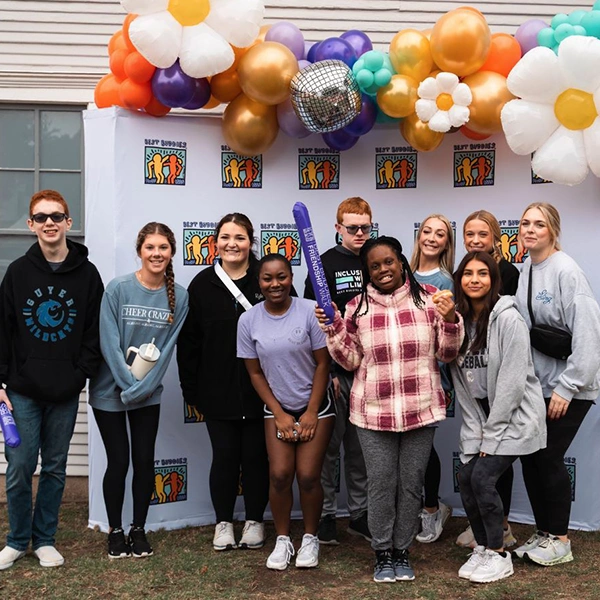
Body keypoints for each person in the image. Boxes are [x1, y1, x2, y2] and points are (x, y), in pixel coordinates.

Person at [317, 236, 463, 583]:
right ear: (366, 272)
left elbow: (447, 353)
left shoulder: (429, 298)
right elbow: (350, 360)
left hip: (420, 409)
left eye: (388, 262)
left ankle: (402, 550)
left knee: (411, 484)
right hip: (373, 413)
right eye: (374, 266)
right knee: (381, 484)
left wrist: (451, 319)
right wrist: (334, 327)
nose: (383, 270)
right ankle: (382, 552)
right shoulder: (356, 307)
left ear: (401, 262)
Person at [0, 190, 104, 570]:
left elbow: (95, 333)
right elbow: (3, 328)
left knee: (55, 467)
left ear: (68, 223)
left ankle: (44, 540)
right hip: (22, 390)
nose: (49, 223)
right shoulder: (18, 273)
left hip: (64, 390)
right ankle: (15, 541)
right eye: (41, 217)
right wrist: (0, 382)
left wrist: (80, 374)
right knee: (20, 467)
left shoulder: (88, 275)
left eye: (56, 216)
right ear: (31, 225)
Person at [89, 222, 188, 559]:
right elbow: (108, 342)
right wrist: (129, 387)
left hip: (149, 394)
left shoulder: (181, 296)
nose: (156, 254)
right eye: (150, 247)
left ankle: (139, 529)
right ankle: (115, 531)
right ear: (140, 250)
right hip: (108, 392)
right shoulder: (117, 288)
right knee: (118, 461)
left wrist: (142, 389)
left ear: (172, 251)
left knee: (145, 461)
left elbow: (167, 348)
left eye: (163, 247)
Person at [451, 252, 547, 583]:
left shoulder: (508, 319)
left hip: (516, 417)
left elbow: (511, 384)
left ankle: (499, 554)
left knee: (482, 478)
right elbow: (464, 388)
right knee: (466, 477)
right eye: (467, 273)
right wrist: (478, 433)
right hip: (485, 418)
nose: (474, 279)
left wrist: (491, 436)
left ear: (494, 280)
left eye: (482, 273)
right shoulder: (459, 323)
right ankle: (484, 545)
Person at [513, 203, 600, 566]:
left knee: (548, 456)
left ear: (553, 231)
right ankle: (545, 531)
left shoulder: (566, 270)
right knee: (532, 458)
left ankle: (560, 539)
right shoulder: (526, 270)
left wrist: (568, 386)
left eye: (539, 224)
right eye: (525, 223)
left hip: (570, 386)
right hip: (539, 385)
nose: (530, 229)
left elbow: (588, 331)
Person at [177, 213, 270, 552]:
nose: (233, 243)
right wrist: (192, 390)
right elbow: (189, 345)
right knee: (225, 457)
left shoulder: (266, 278)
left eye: (240, 237)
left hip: (263, 391)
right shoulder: (202, 285)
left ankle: (256, 521)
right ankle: (223, 523)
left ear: (251, 241)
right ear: (215, 242)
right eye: (226, 237)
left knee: (257, 458)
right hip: (216, 390)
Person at [238, 254, 334, 571]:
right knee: (279, 476)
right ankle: (282, 539)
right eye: (267, 278)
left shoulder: (309, 311)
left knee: (307, 476)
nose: (275, 284)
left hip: (316, 407)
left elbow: (323, 363)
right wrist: (279, 413)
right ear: (258, 281)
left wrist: (309, 413)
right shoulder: (248, 320)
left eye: (281, 277)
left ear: (291, 278)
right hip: (277, 408)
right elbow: (254, 373)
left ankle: (309, 537)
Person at [304, 196, 372, 545]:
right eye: (352, 227)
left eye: (365, 227)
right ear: (337, 228)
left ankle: (359, 514)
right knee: (329, 448)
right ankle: (328, 515)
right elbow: (313, 321)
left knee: (361, 448)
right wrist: (326, 369)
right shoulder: (324, 264)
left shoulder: (380, 257)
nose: (360, 233)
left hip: (372, 369)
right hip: (337, 372)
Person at [456, 209, 519, 549]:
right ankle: (485, 532)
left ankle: (501, 531)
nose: (476, 240)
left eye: (483, 234)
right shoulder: (459, 302)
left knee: (490, 468)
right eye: (470, 234)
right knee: (474, 471)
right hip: (477, 387)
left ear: (496, 237)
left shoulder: (507, 287)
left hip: (502, 388)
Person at [409, 214, 455, 543]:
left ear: (446, 243)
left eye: (440, 234)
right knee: (409, 446)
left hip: (430, 375)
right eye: (427, 231)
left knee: (424, 446)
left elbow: (446, 333)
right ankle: (419, 505)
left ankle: (431, 510)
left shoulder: (445, 281)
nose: (432, 238)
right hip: (402, 375)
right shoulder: (404, 276)